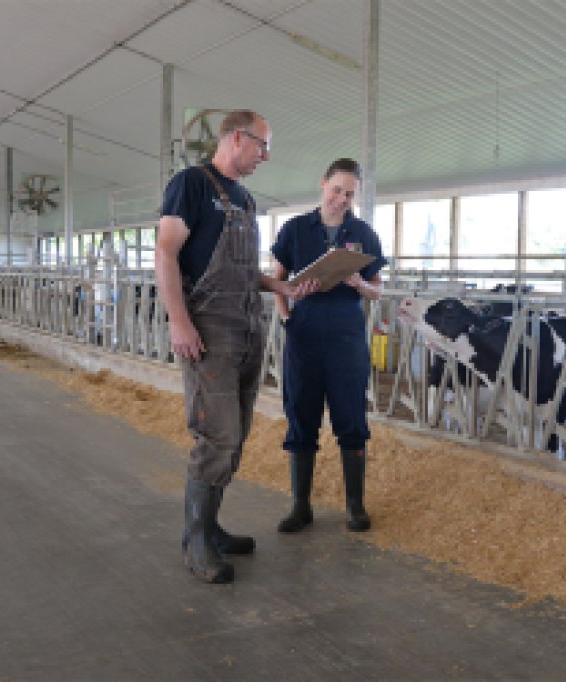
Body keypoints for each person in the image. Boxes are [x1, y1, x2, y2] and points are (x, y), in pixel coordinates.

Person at [155, 110, 317, 584]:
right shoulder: (191, 184)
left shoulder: (245, 199)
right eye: (263, 146)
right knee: (216, 435)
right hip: (209, 327)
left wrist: (279, 287)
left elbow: (243, 270)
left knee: (236, 433)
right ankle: (196, 541)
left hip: (247, 324)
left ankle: (212, 527)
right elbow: (166, 251)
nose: (266, 156)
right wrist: (179, 321)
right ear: (238, 138)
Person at [270, 158, 387, 534]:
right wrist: (287, 317)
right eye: (337, 190)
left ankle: (355, 505)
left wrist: (358, 284)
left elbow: (377, 290)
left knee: (351, 418)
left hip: (346, 336)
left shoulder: (363, 233)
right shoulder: (294, 230)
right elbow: (278, 280)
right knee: (301, 415)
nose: (342, 199)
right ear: (323, 184)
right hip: (304, 335)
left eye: (350, 194)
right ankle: (300, 505)